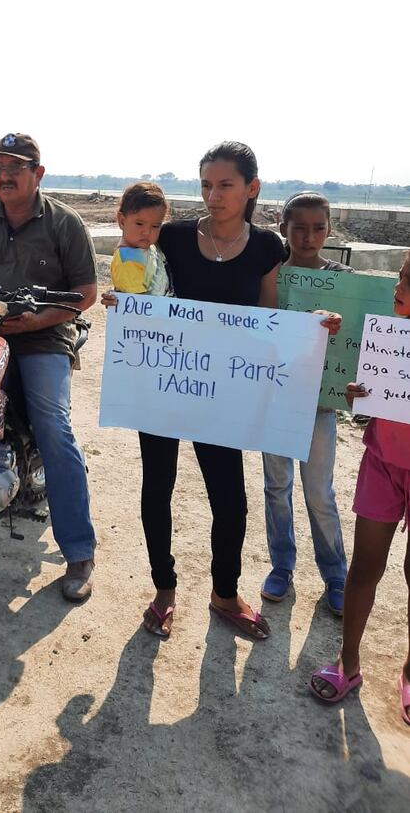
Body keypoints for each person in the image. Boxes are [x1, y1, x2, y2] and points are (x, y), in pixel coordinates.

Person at [130, 141, 286, 641]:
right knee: (158, 489)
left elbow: (269, 320)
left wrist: (312, 330)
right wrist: (122, 301)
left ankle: (224, 594)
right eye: (205, 185)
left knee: (231, 501)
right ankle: (163, 590)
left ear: (251, 188)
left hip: (221, 398)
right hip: (165, 387)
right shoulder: (171, 237)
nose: (213, 196)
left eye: (225, 185)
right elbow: (140, 283)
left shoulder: (266, 248)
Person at [0, 133, 98, 602]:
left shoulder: (65, 223)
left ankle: (79, 551)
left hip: (45, 336)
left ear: (38, 173)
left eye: (16, 166)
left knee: (53, 424)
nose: (4, 175)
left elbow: (86, 293)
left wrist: (39, 319)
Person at [310, 253, 410, 726]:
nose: (398, 284)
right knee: (365, 566)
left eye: (409, 280)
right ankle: (348, 661)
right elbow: (373, 400)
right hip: (382, 463)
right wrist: (360, 396)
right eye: (403, 274)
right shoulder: (389, 335)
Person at [261, 192, 351, 614]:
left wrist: (338, 326)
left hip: (319, 404)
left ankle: (335, 573)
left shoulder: (345, 282)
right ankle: (282, 564)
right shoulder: (270, 275)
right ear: (283, 228)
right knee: (277, 487)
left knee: (319, 491)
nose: (309, 236)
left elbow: (360, 342)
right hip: (275, 397)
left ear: (329, 229)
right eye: (299, 227)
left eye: (318, 227)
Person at [109, 182, 170, 297]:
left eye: (155, 226)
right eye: (139, 224)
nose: (147, 232)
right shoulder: (127, 261)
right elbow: (139, 305)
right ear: (122, 221)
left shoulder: (148, 248)